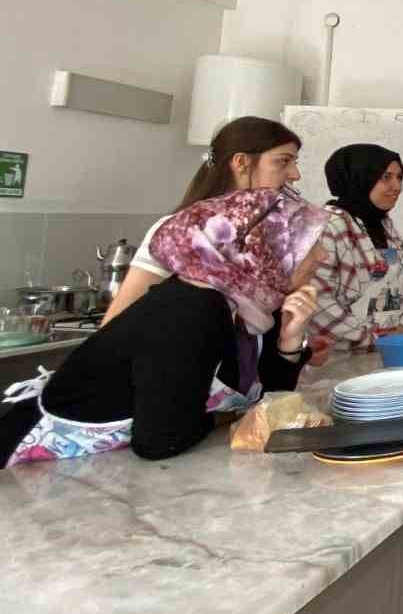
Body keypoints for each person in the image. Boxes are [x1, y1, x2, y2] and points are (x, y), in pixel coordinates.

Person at [1, 188, 323, 466]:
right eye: (310, 247)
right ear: (267, 252)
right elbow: (160, 441)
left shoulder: (254, 310)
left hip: (106, 468)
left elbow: (269, 403)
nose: (321, 257)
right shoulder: (191, 309)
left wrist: (290, 342)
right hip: (28, 466)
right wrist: (228, 417)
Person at [100, 117, 302, 326]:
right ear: (241, 162)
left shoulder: (274, 237)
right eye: (283, 161)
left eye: (295, 163)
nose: (296, 175)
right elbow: (115, 323)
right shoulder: (180, 231)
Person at [307, 144, 403, 359]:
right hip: (337, 358)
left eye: (399, 177)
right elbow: (317, 300)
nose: (397, 186)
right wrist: (369, 337)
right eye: (386, 177)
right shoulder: (329, 226)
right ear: (359, 177)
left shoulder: (383, 224)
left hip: (386, 350)